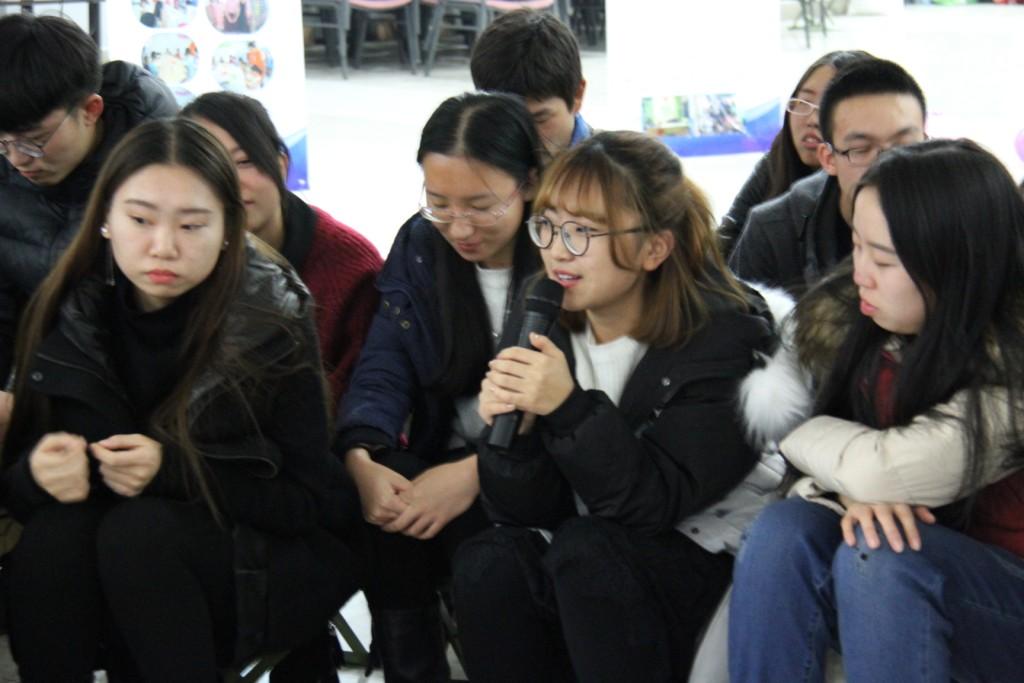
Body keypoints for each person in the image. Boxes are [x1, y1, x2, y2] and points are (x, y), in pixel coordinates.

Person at [0, 119, 360, 682]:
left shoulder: (270, 319)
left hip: (258, 563)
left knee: (139, 533)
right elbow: (18, 494)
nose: (163, 246)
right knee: (55, 536)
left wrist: (171, 471)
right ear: (105, 219)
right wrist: (36, 476)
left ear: (228, 230)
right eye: (140, 220)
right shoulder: (69, 307)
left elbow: (308, 504)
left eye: (192, 225)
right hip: (120, 565)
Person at [451, 131, 807, 682]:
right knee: (489, 561)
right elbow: (524, 510)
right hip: (590, 547)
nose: (557, 250)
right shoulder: (541, 309)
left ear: (653, 248)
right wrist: (514, 441)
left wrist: (567, 408)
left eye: (582, 232)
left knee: (587, 551)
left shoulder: (726, 335)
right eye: (547, 225)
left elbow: (655, 502)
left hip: (705, 556)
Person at [728, 139, 1024, 682]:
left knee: (883, 552)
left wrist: (818, 450)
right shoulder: (861, 332)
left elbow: (880, 470)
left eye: (883, 259)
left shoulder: (1013, 365)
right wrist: (845, 495)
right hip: (928, 565)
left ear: (955, 263)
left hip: (1005, 602)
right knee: (785, 530)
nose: (860, 273)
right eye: (856, 245)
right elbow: (854, 480)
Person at [334, 92, 545, 682]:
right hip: (447, 454)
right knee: (389, 504)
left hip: (538, 470)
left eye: (481, 205)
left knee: (483, 560)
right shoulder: (422, 246)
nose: (460, 227)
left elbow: (577, 407)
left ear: (529, 182)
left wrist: (479, 473)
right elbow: (385, 361)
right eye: (439, 204)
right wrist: (360, 454)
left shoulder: (563, 253)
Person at [0, 13, 177, 397]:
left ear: (91, 110)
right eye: (2, 143)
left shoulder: (160, 161)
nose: (17, 159)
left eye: (34, 141)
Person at [182, 91, 382, 406]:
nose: (229, 183)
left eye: (244, 162)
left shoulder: (349, 266)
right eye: (206, 166)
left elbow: (363, 393)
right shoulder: (172, 259)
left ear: (282, 164)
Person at [729, 57, 926, 297]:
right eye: (861, 149)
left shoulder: (957, 213)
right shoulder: (774, 231)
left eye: (904, 146)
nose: (886, 163)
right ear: (828, 158)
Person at [719, 50, 871, 260]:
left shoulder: (870, 187)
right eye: (804, 102)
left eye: (829, 107)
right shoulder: (775, 162)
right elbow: (730, 234)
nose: (812, 120)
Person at [470, 9, 591, 157]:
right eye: (505, 121)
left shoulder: (610, 167)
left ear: (577, 95)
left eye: (539, 119)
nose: (524, 140)